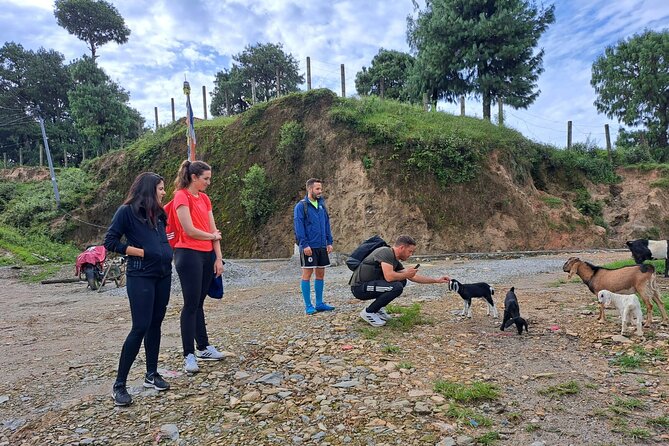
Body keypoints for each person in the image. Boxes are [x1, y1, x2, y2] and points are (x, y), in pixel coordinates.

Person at [104, 172, 174, 406]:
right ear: (149, 189)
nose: (164, 192)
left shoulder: (159, 214)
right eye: (161, 188)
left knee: (156, 323)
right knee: (140, 326)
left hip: (163, 274)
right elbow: (110, 242)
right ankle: (119, 385)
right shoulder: (127, 212)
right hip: (141, 275)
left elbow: (162, 241)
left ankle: (151, 375)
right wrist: (141, 252)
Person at [172, 160, 225, 373]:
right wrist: (212, 236)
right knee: (190, 304)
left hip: (206, 254)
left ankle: (203, 347)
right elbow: (189, 229)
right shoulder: (181, 196)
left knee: (199, 303)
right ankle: (189, 354)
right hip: (188, 253)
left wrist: (218, 257)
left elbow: (214, 229)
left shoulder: (204, 198)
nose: (208, 182)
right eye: (206, 178)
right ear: (194, 177)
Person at [349, 235, 450, 327]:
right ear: (402, 248)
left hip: (369, 286)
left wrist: (437, 280)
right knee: (396, 286)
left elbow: (413, 277)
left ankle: (378, 309)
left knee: (402, 281)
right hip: (359, 288)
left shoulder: (394, 259)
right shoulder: (385, 252)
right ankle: (369, 312)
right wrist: (406, 274)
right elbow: (389, 277)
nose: (410, 255)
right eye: (410, 251)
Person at [293, 178, 335, 315]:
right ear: (310, 189)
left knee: (320, 273)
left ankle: (319, 303)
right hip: (309, 246)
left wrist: (329, 242)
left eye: (320, 189)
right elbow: (299, 227)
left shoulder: (322, 205)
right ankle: (308, 305)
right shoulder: (301, 206)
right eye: (317, 189)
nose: (320, 191)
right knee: (307, 273)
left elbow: (326, 224)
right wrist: (304, 244)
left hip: (322, 245)